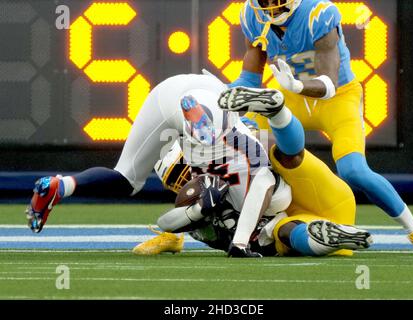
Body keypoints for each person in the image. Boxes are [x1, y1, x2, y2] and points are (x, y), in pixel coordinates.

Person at [26, 73, 303, 257]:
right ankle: (203, 119)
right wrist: (241, 241)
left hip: (171, 98)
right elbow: (262, 178)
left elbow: (168, 223)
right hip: (214, 108)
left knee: (127, 180)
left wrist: (199, 208)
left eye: (177, 178)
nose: (181, 183)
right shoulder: (250, 186)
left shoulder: (209, 218)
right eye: (178, 176)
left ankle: (63, 185)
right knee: (219, 144)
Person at [228, 0, 413, 252]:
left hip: (337, 97)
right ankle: (179, 230)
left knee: (354, 170)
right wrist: (219, 93)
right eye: (265, 2)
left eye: (277, 2)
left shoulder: (318, 14)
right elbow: (249, 78)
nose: (271, 8)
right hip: (291, 98)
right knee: (235, 142)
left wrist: (297, 85)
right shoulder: (250, 14)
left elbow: (329, 83)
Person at [133, 88, 373, 257]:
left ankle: (277, 111)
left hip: (314, 195)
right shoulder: (194, 207)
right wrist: (200, 208)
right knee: (288, 233)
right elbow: (166, 223)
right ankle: (336, 238)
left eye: (181, 171)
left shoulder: (230, 159)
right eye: (175, 180)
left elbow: (260, 172)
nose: (184, 181)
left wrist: (239, 241)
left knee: (284, 158)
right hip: (289, 223)